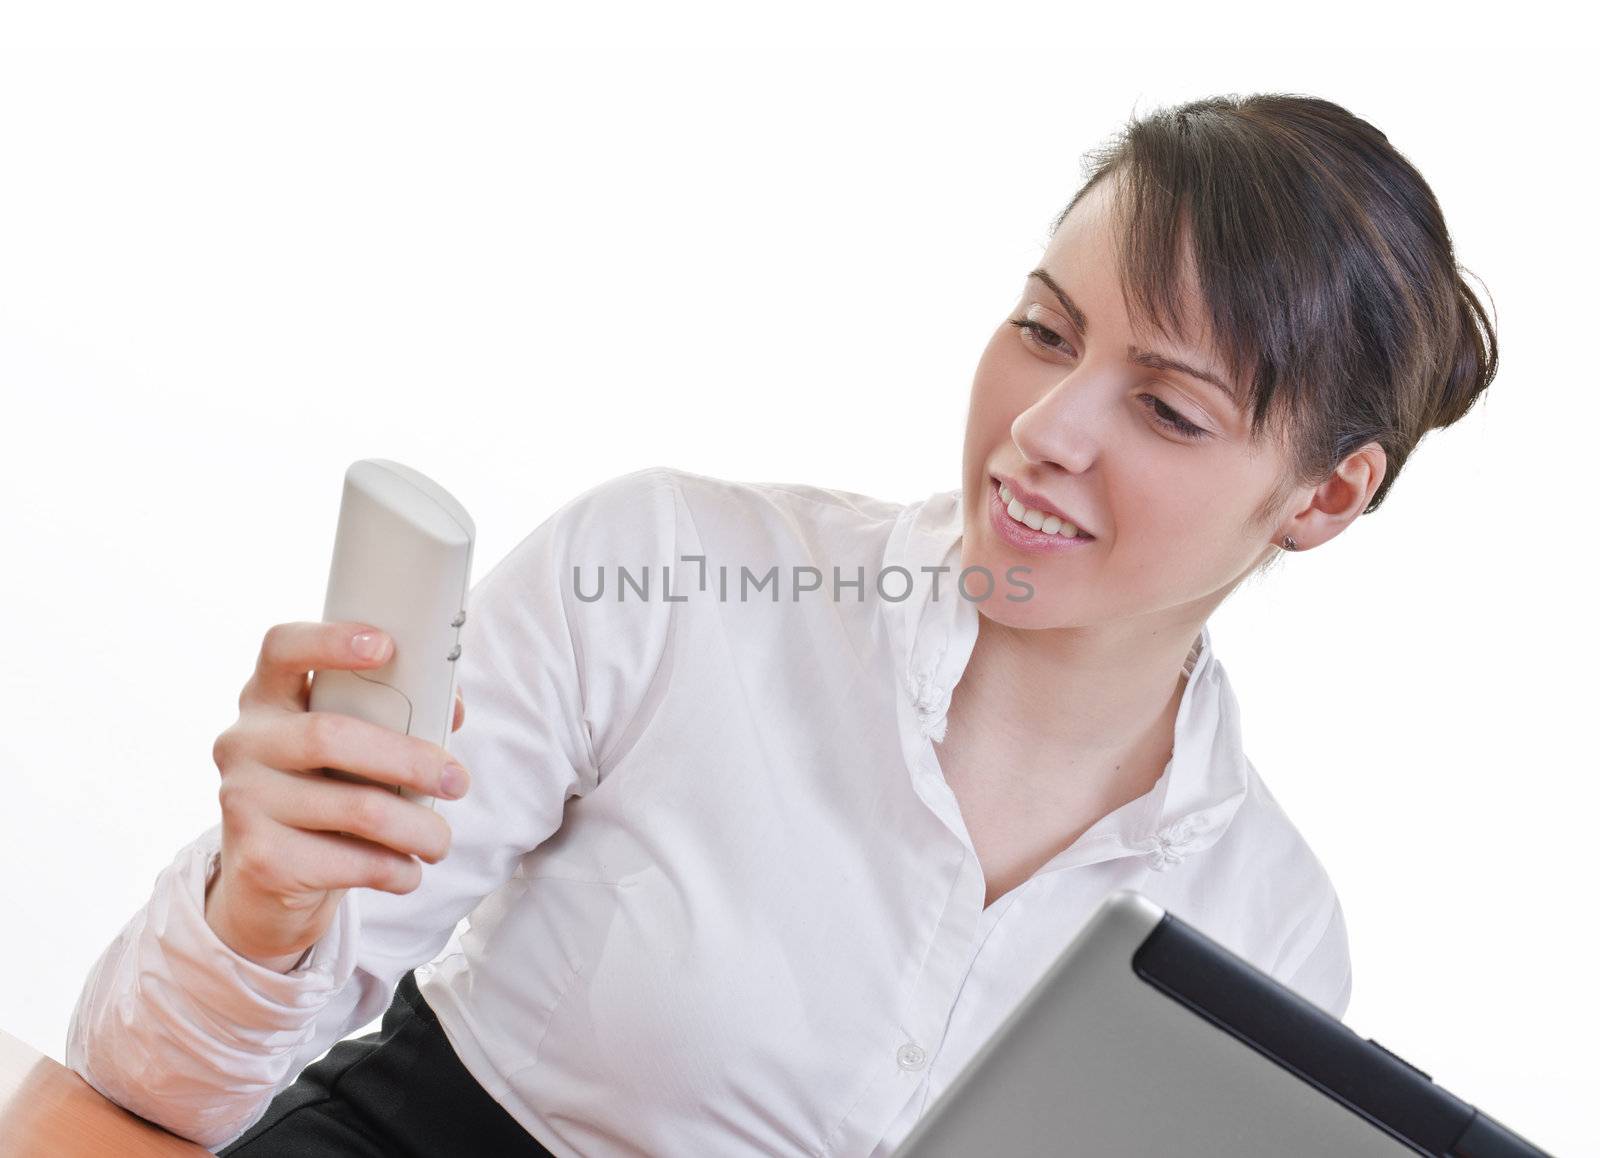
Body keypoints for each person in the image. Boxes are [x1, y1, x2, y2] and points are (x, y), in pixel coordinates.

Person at [65, 92, 1497, 1157]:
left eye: (1168, 408)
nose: (1043, 431)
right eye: (1046, 331)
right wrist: (264, 906)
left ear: (1322, 497)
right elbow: (149, 1092)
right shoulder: (672, 575)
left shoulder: (1273, 929)